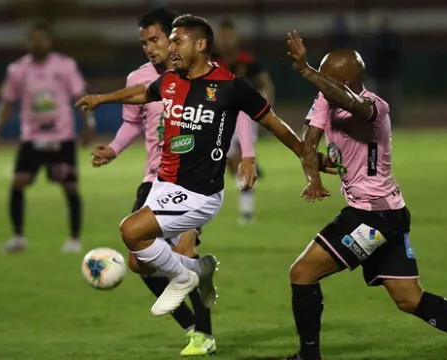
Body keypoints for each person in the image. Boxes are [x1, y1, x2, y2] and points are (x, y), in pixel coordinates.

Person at [76, 15, 321, 321]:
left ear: (201, 44)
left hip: (199, 192)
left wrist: (303, 153)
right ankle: (198, 269)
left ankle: (185, 281)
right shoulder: (172, 80)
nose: (171, 47)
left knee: (129, 230)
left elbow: (271, 121)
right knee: (139, 262)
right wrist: (103, 99)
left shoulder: (230, 86)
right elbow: (142, 92)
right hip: (165, 184)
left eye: (178, 40)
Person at [284, 31, 447, 360]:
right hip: (387, 214)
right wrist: (313, 177)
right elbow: (309, 142)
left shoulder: (375, 108)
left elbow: (353, 103)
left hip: (372, 216)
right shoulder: (326, 98)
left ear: (345, 81)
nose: (319, 85)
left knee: (302, 273)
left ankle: (309, 356)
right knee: (409, 298)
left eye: (325, 79)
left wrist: (306, 71)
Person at [89, 9, 255, 356]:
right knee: (139, 262)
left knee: (184, 252)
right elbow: (132, 123)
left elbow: (237, 110)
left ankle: (203, 335)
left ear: (175, 38)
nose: (150, 48)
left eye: (155, 39)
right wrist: (115, 150)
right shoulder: (141, 78)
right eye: (144, 42)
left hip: (192, 182)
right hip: (154, 181)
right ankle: (192, 323)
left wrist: (248, 154)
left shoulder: (205, 77)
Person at [0, 22, 95, 254]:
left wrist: (88, 126)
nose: (37, 43)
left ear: (49, 41)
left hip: (61, 136)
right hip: (31, 137)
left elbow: (81, 96)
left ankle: (74, 239)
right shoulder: (17, 69)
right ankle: (18, 236)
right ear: (28, 42)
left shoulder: (65, 65)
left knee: (70, 187)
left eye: (42, 38)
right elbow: (7, 101)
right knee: (18, 182)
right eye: (33, 39)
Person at [215, 18, 275, 224]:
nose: (225, 39)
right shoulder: (211, 61)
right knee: (231, 161)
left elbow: (265, 84)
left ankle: (247, 212)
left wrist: (266, 112)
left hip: (246, 115)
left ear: (235, 37)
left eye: (228, 35)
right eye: (221, 35)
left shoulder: (248, 61)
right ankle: (249, 176)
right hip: (222, 115)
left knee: (243, 156)